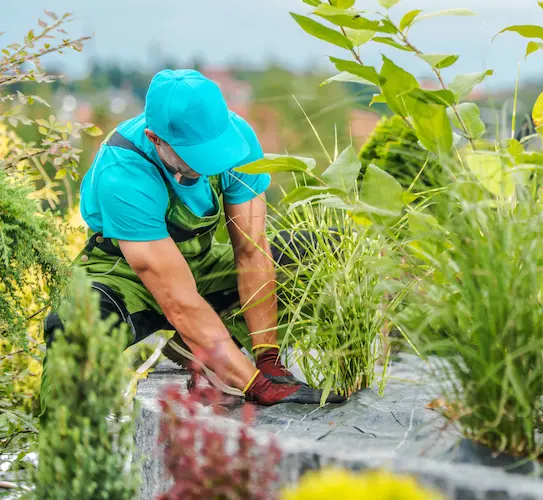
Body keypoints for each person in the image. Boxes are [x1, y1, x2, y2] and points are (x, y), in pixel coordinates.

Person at [40, 69, 345, 412]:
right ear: (155, 138)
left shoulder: (236, 141)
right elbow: (177, 299)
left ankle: (203, 347)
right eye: (196, 157)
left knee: (318, 252)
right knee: (72, 328)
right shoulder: (123, 171)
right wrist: (254, 385)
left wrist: (268, 358)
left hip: (199, 267)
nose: (212, 164)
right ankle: (63, 456)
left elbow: (251, 251)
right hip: (123, 278)